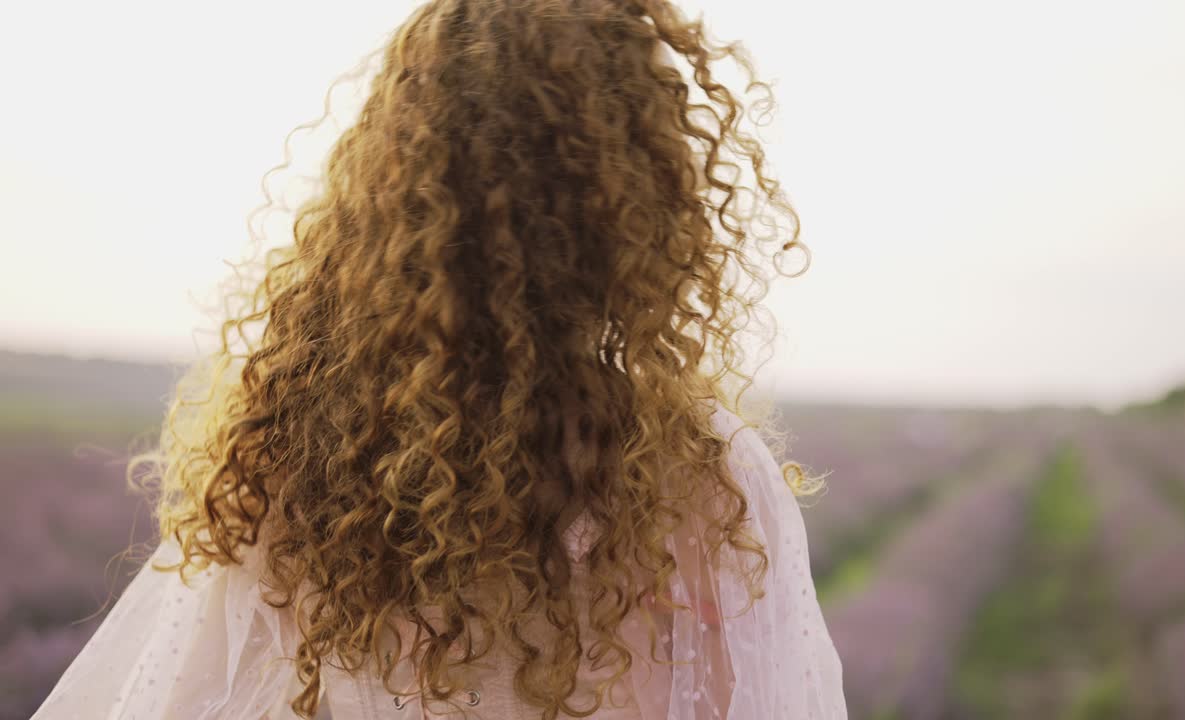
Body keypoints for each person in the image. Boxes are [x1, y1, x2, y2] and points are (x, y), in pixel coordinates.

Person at [32, 0, 846, 717]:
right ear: (636, 200)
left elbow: (184, 695)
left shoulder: (291, 444)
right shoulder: (699, 476)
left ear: (391, 186)